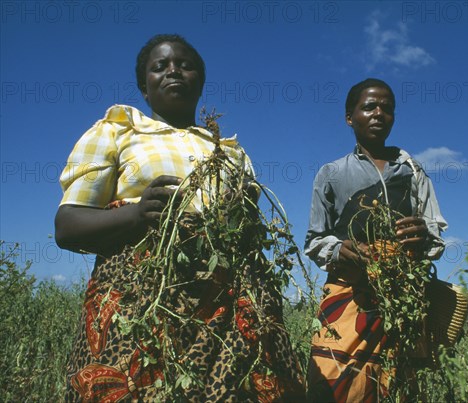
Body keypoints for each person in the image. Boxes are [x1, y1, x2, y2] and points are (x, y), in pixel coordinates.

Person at [56, 34, 304, 401]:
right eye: (160, 67)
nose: (173, 71)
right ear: (145, 86)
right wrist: (138, 215)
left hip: (228, 313)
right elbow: (68, 226)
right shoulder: (117, 132)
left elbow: (249, 232)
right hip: (143, 306)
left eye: (185, 65)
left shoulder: (230, 153)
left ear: (200, 81)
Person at [304, 78, 448, 402]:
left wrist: (423, 235)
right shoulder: (332, 174)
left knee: (396, 384)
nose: (379, 113)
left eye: (387, 108)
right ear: (349, 117)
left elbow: (435, 234)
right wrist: (341, 249)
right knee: (329, 382)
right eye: (369, 106)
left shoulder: (411, 172)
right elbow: (314, 240)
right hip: (347, 296)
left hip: (401, 301)